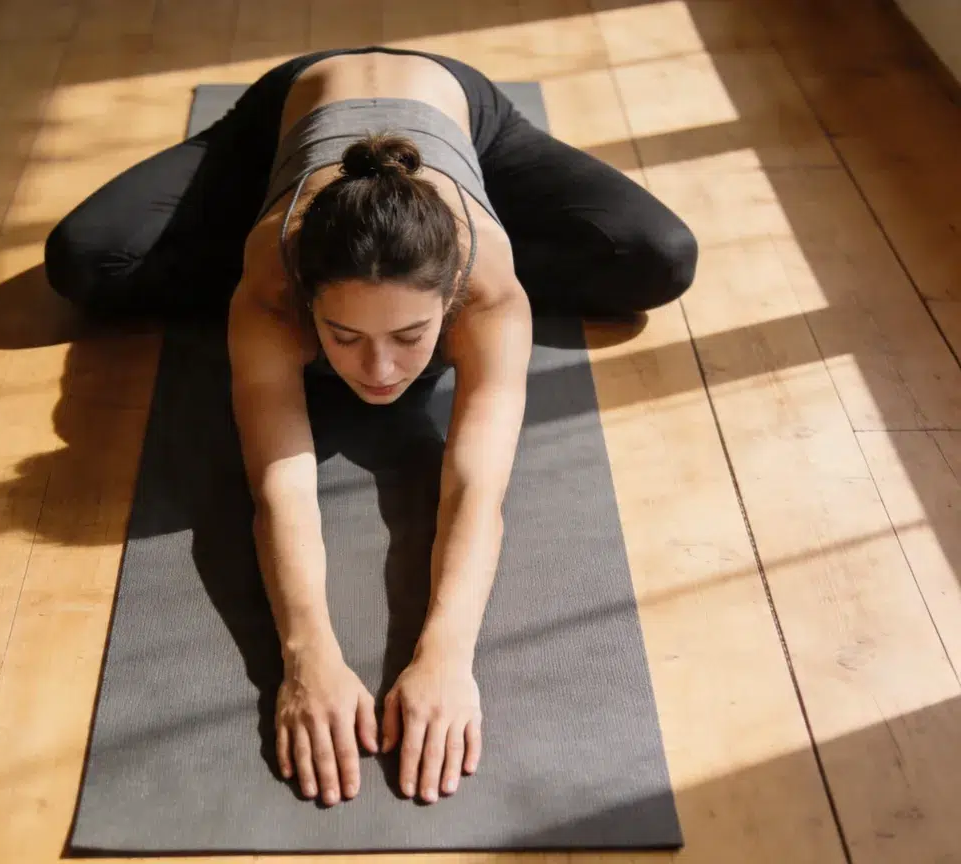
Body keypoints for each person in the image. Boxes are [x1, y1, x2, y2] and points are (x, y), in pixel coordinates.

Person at [44, 45, 697, 809]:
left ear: (453, 295)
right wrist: (306, 656)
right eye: (346, 337)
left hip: (455, 105)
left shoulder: (486, 285)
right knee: (85, 261)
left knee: (660, 259)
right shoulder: (269, 287)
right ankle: (284, 210)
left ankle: (428, 251)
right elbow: (279, 486)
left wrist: (448, 656)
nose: (381, 373)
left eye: (412, 336)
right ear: (305, 298)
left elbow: (474, 485)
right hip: (293, 106)